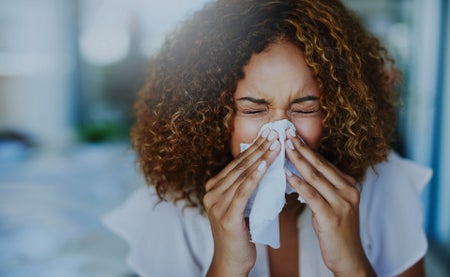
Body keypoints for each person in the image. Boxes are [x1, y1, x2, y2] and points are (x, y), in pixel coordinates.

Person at [104, 0, 432, 276]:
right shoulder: (169, 211)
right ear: (211, 117)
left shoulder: (385, 187)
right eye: (253, 109)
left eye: (304, 109)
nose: (280, 135)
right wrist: (226, 267)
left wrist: (352, 265)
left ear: (337, 113)